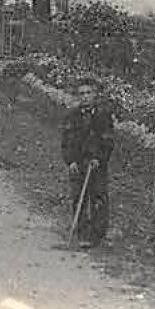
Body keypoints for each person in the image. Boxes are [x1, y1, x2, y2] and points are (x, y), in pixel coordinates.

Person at [62, 77, 115, 248]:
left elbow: (108, 141)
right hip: (78, 163)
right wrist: (70, 161)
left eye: (88, 93)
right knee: (78, 197)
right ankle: (82, 232)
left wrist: (99, 158)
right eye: (81, 94)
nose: (85, 96)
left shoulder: (103, 116)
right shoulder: (72, 116)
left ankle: (97, 235)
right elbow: (66, 140)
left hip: (96, 164)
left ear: (95, 95)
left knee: (98, 197)